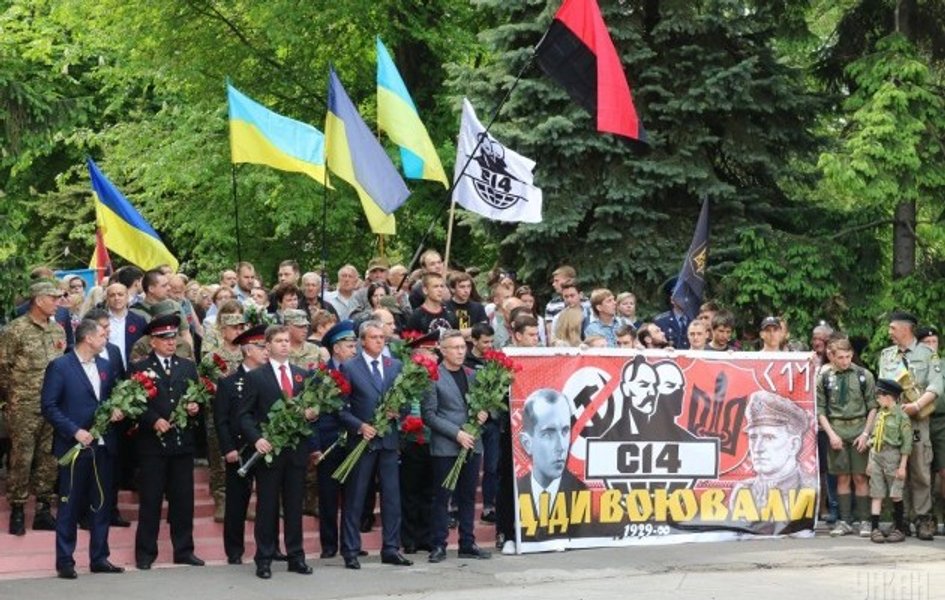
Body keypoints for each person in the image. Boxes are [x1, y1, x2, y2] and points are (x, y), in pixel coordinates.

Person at [40, 319, 124, 578]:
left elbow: (109, 398)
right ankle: (65, 561)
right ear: (88, 338)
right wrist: (74, 430)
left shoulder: (106, 365)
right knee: (70, 505)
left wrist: (116, 410)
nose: (106, 339)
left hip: (103, 445)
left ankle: (99, 557)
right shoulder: (61, 366)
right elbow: (49, 406)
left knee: (102, 503)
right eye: (102, 335)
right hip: (74, 447)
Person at [238, 325, 316, 579]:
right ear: (268, 346)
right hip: (270, 450)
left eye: (287, 341)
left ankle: (296, 556)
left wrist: (312, 414)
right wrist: (256, 439)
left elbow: (311, 409)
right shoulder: (256, 377)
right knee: (267, 506)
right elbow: (244, 415)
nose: (284, 344)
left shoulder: (302, 375)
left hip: (295, 451)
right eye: (279, 341)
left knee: (294, 506)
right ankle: (264, 558)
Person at [130, 313, 204, 570]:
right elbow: (134, 403)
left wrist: (195, 407)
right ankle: (145, 553)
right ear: (153, 342)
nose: (171, 342)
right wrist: (153, 420)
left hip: (182, 443)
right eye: (164, 338)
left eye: (173, 337)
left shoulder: (187, 366)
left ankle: (184, 550)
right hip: (153, 445)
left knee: (183, 501)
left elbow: (197, 397)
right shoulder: (140, 367)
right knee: (151, 500)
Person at [338, 320, 412, 569]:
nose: (380, 341)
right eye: (374, 337)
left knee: (392, 497)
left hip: (388, 440)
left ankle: (391, 548)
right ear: (362, 341)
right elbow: (340, 408)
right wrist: (360, 426)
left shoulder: (395, 365)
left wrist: (398, 412)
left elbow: (405, 403)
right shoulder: (349, 367)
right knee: (356, 496)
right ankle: (350, 549)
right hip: (363, 440)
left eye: (382, 337)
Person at [0, 280, 67, 535]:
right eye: (53, 298)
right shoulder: (14, 330)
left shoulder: (58, 330)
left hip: (53, 405)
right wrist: (15, 395)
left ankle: (43, 509)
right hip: (24, 406)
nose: (58, 302)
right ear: (39, 300)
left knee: (48, 457)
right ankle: (17, 509)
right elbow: (3, 368)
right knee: (22, 457)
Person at [421, 330, 491, 562]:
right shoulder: (433, 377)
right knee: (442, 497)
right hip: (446, 446)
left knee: (468, 496)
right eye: (455, 348)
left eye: (463, 347)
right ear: (443, 351)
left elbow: (483, 404)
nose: (461, 352)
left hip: (472, 444)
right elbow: (429, 415)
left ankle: (467, 543)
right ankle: (439, 544)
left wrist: (484, 414)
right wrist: (457, 434)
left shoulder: (473, 375)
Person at [876, 311, 944, 540]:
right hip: (894, 422)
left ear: (906, 329)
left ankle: (923, 519)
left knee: (920, 470)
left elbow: (936, 386)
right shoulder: (887, 355)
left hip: (917, 420)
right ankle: (900, 520)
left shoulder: (928, 354)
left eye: (893, 328)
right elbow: (882, 387)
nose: (889, 332)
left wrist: (916, 406)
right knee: (896, 469)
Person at [213, 323, 267, 565]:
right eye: (261, 347)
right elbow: (221, 420)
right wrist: (228, 448)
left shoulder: (270, 378)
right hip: (240, 448)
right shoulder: (229, 382)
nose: (266, 351)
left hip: (267, 447)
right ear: (248, 350)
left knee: (268, 501)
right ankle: (234, 550)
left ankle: (269, 546)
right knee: (237, 502)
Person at [816, 337, 877, 538]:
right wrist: (831, 435)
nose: (845, 361)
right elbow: (820, 410)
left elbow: (873, 407)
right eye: (840, 357)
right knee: (842, 477)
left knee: (860, 477)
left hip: (859, 429)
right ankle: (844, 521)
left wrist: (866, 434)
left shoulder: (863, 375)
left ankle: (865, 520)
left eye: (848, 356)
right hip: (837, 431)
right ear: (831, 356)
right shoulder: (824, 378)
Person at [516, 389, 586, 540]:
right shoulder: (515, 491)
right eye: (548, 434)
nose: (561, 446)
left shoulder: (584, 493)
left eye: (565, 431)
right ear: (527, 443)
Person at [730, 391, 816, 511]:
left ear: (793, 445)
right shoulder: (742, 490)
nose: (757, 448)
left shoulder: (811, 488)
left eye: (769, 437)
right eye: (753, 437)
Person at [316, 320, 359, 559]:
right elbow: (314, 415)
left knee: (353, 496)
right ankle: (329, 544)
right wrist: (316, 446)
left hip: (355, 441)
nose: (354, 351)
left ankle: (350, 543)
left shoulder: (359, 371)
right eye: (350, 346)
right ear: (336, 348)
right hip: (329, 443)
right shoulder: (320, 375)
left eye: (355, 346)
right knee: (329, 496)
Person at [867, 379, 912, 543]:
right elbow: (873, 438)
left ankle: (899, 529)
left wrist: (903, 466)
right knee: (876, 492)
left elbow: (907, 443)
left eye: (879, 395)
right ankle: (875, 529)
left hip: (893, 456)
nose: (877, 399)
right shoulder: (880, 414)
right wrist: (870, 461)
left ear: (889, 397)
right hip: (877, 455)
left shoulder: (902, 417)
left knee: (896, 493)